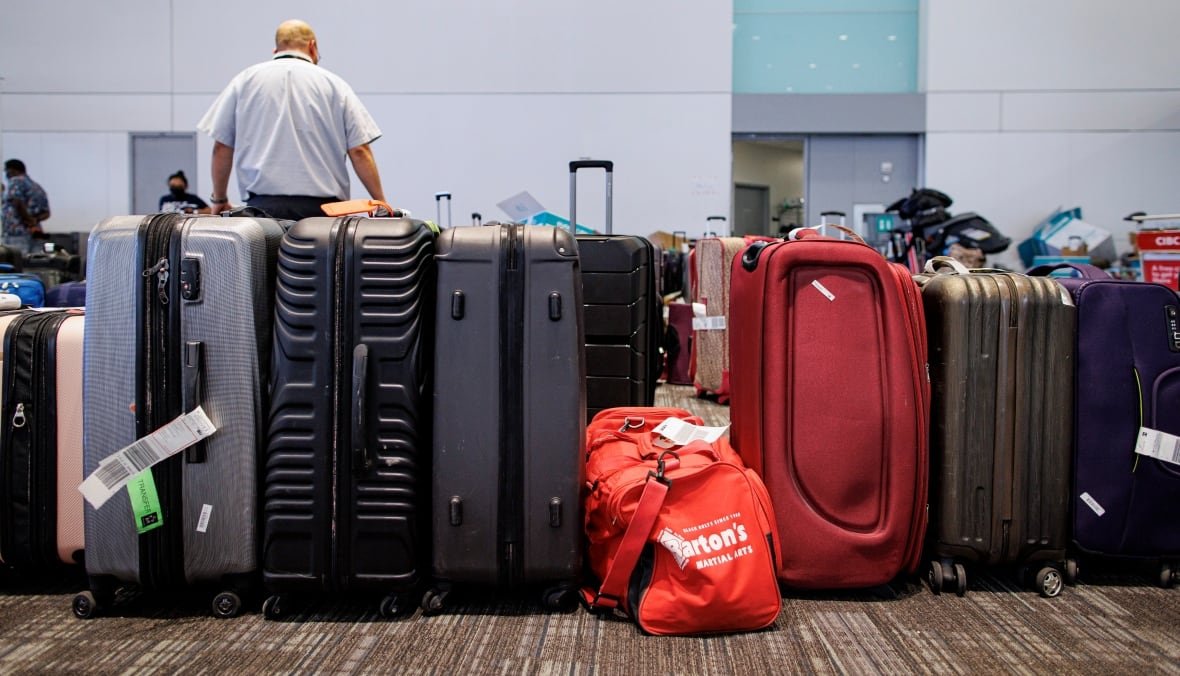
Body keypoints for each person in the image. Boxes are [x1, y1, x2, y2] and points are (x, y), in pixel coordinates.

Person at [197, 19, 386, 220]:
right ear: (312, 47)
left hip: (263, 210)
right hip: (324, 213)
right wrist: (381, 203)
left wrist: (219, 200)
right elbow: (359, 150)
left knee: (265, 252)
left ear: (275, 50)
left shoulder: (244, 81)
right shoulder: (335, 85)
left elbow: (221, 147)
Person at [2, 159, 50, 250]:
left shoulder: (15, 181)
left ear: (12, 170)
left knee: (15, 262)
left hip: (17, 235)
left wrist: (29, 220)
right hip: (34, 234)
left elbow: (16, 201)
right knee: (30, 263)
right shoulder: (36, 186)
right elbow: (47, 213)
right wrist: (35, 221)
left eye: (6, 170)